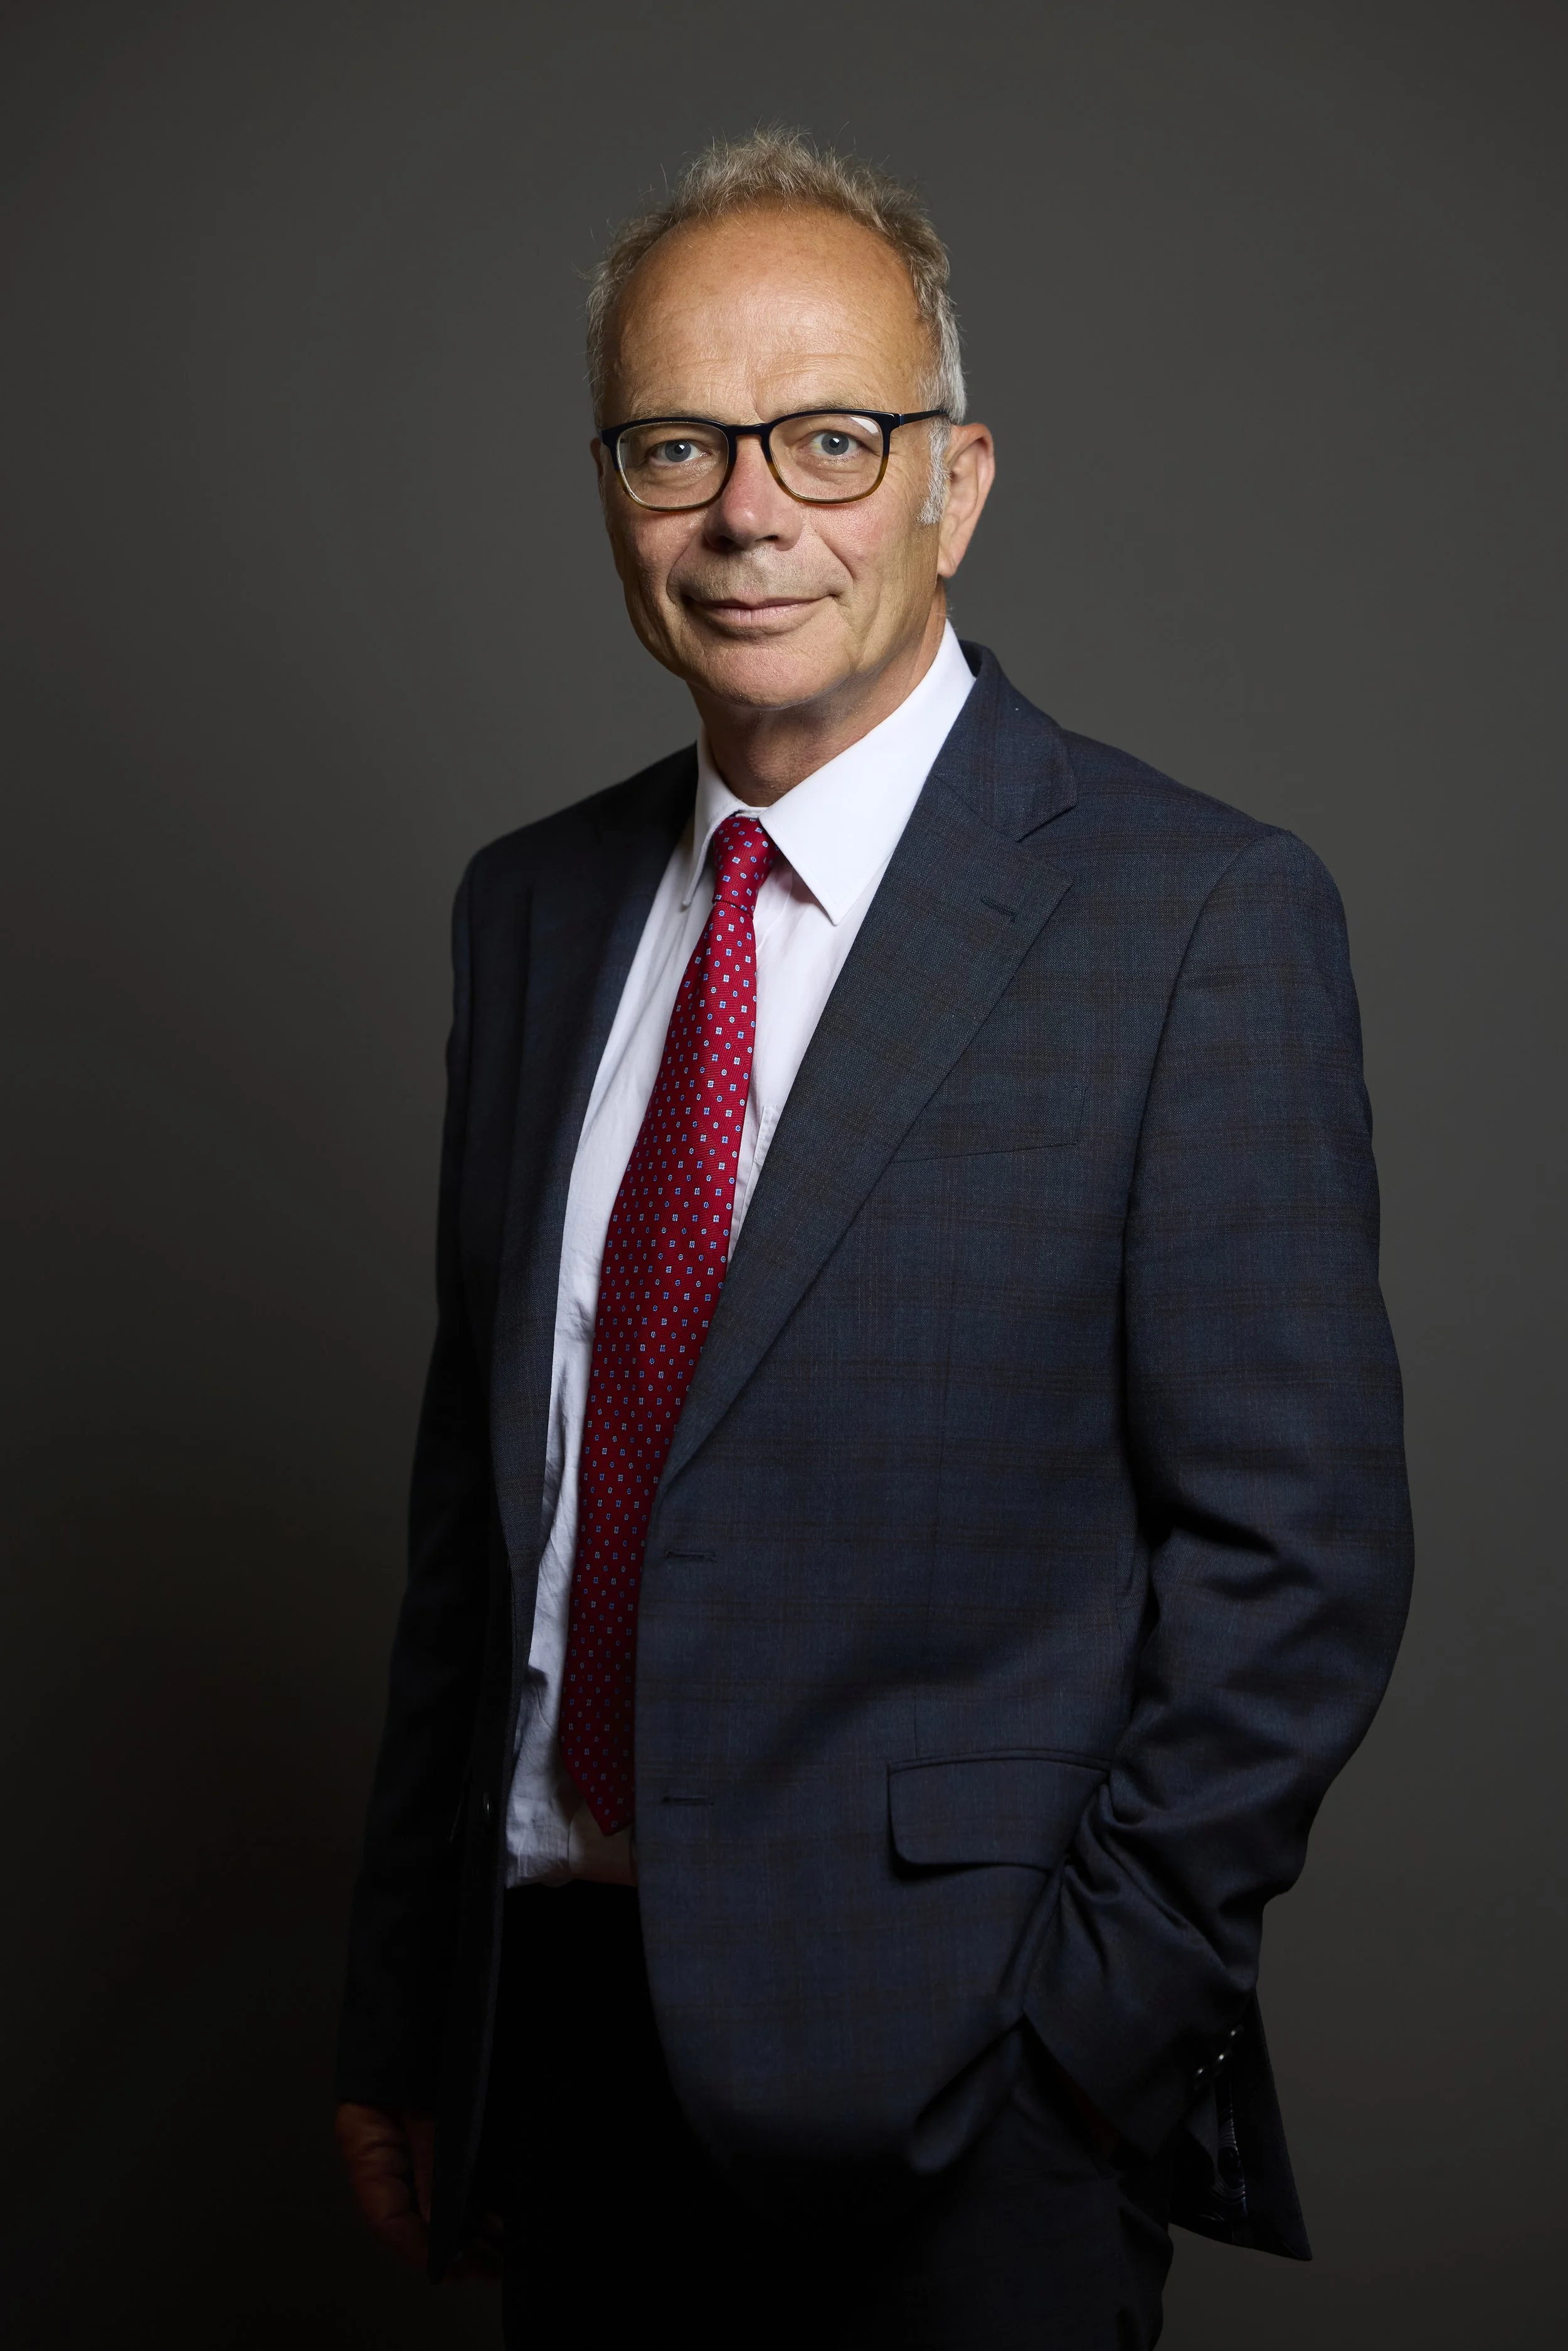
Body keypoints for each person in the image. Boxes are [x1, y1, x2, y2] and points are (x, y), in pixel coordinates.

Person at [334, 130, 1412, 2349]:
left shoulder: (1187, 916)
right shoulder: (527, 912)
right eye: (676, 444)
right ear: (615, 485)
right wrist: (402, 2002)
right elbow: (482, 1520)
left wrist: (1076, 2054)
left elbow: (1298, 1561)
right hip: (557, 2049)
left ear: (957, 480)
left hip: (965, 2097)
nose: (751, 512)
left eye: (830, 437)